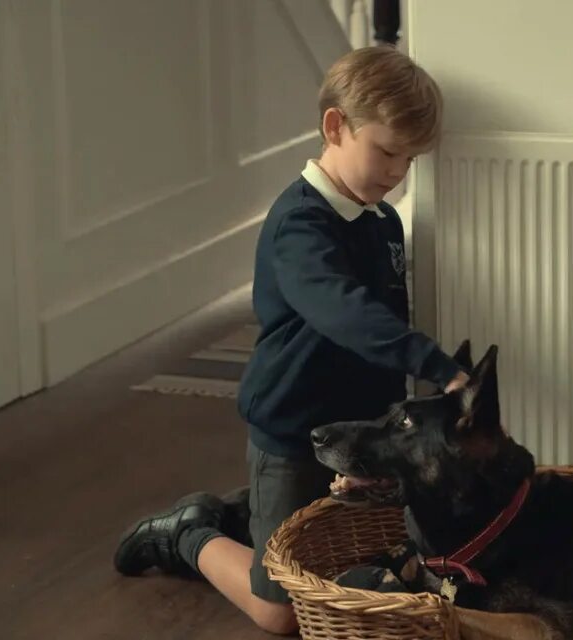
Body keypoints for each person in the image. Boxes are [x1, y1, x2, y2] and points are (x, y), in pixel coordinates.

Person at [113, 46, 468, 635]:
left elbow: (383, 319)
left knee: (361, 560)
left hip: (356, 429)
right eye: (386, 152)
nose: (397, 172)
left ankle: (243, 511)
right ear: (335, 127)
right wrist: (432, 363)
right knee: (280, 612)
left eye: (409, 159)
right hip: (294, 429)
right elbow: (343, 310)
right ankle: (188, 533)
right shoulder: (299, 224)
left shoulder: (382, 220)